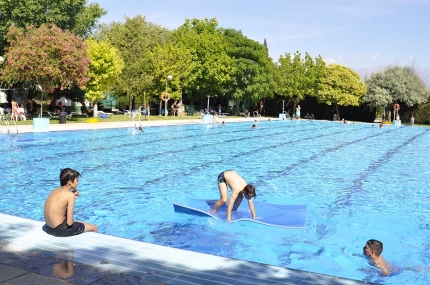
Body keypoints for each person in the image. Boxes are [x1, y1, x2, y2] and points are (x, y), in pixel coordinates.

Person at [44, 168, 98, 237]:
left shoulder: (54, 191)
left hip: (49, 228)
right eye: (77, 180)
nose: (78, 183)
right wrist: (72, 197)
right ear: (70, 182)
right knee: (94, 227)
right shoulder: (69, 195)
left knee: (82, 223)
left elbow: (60, 209)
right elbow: (69, 223)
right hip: (60, 230)